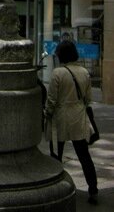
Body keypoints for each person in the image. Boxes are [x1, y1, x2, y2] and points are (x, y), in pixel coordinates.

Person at [45, 40, 98, 205]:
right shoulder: (84, 72)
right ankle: (93, 189)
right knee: (84, 155)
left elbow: (52, 100)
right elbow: (88, 99)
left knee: (56, 155)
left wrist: (47, 114)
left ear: (60, 55)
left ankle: (56, 189)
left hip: (60, 118)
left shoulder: (57, 73)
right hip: (78, 117)